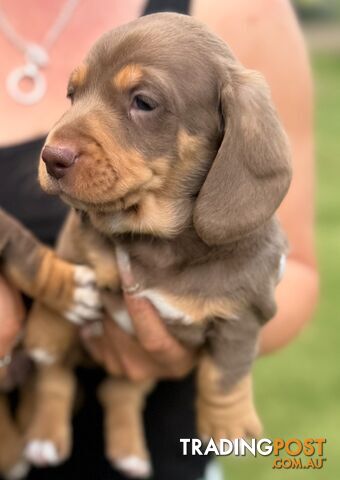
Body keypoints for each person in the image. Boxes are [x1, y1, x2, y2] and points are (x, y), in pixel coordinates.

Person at [0, 0, 318, 479]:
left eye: (143, 103)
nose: (57, 147)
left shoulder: (247, 13)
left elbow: (296, 275)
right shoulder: (86, 228)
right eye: (75, 93)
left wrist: (198, 350)